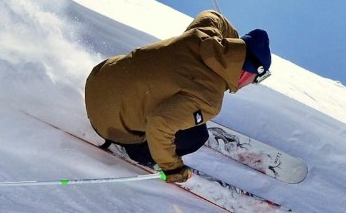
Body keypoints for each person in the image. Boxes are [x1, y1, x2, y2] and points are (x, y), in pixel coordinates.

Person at [84, 10, 271, 184]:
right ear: (249, 72)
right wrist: (172, 168)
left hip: (97, 79)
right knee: (197, 136)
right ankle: (134, 149)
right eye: (257, 79)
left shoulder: (203, 34)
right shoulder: (210, 99)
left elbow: (213, 15)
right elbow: (159, 123)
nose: (252, 84)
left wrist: (233, 47)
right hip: (108, 123)